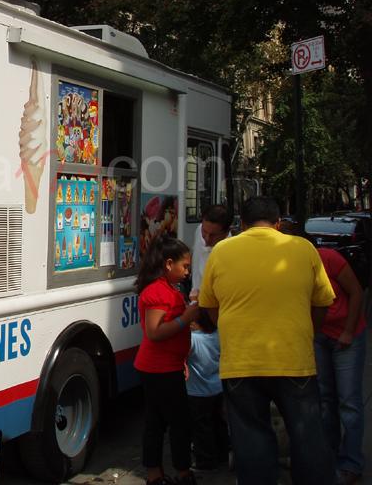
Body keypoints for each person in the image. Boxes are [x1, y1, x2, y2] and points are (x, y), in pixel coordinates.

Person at [197, 196, 336, 485]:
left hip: (241, 363)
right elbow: (323, 302)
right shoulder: (303, 249)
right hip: (294, 360)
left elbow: (210, 306)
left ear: (243, 224)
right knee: (307, 438)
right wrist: (308, 332)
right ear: (278, 224)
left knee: (251, 442)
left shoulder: (222, 251)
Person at [134, 235, 201, 485]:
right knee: (176, 423)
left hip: (166, 366)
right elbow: (154, 332)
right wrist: (187, 317)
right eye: (185, 266)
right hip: (159, 369)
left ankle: (157, 475)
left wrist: (181, 360)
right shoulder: (159, 292)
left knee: (158, 421)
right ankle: (181, 473)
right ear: (169, 264)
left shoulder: (167, 290)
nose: (187, 272)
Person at [313, 246, 367, 485]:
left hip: (347, 335)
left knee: (349, 401)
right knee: (326, 398)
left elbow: (357, 292)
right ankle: (329, 455)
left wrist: (347, 331)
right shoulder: (289, 267)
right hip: (320, 336)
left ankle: (351, 462)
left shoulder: (327, 258)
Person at [185, 309, 229, 471]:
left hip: (197, 392)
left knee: (201, 428)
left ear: (197, 323)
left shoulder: (193, 340)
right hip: (218, 388)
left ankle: (206, 460)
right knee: (219, 423)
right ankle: (224, 453)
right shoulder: (218, 335)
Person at [189, 205, 232, 300]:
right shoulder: (199, 230)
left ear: (226, 232)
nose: (207, 239)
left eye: (213, 235)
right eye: (204, 232)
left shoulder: (230, 251)